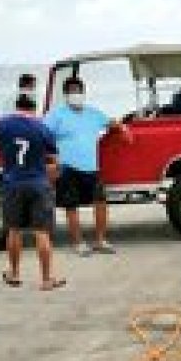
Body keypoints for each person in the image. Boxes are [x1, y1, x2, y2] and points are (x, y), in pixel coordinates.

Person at [44, 76, 130, 256]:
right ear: (66, 94)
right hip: (67, 168)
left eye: (78, 91)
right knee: (71, 206)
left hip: (92, 168)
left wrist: (122, 129)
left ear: (83, 92)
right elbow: (43, 137)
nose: (76, 94)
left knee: (101, 202)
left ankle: (100, 240)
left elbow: (111, 123)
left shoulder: (93, 113)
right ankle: (78, 243)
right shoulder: (56, 115)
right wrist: (50, 161)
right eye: (72, 91)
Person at [0, 94, 64, 290]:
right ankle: (46, 279)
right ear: (34, 109)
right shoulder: (42, 128)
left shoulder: (2, 124)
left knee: (14, 230)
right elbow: (55, 160)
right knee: (41, 232)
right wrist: (53, 174)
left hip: (12, 183)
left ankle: (14, 273)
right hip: (38, 183)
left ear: (16, 107)